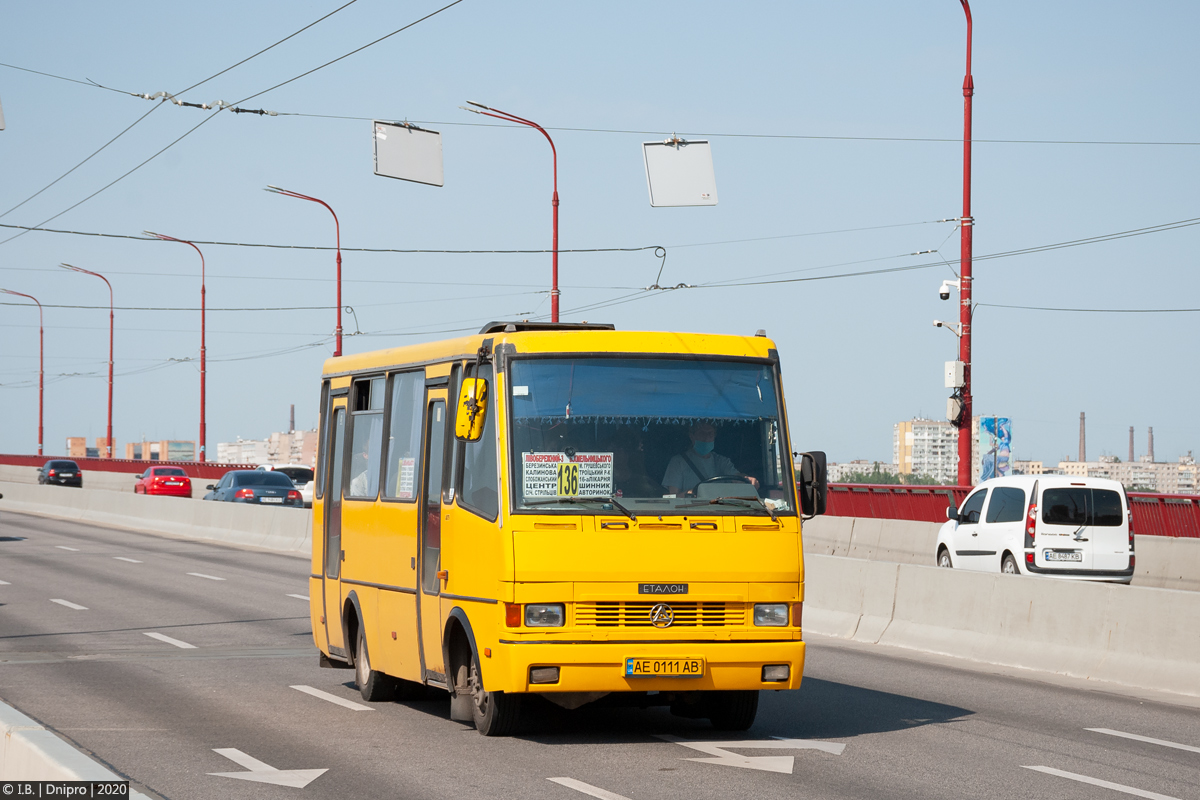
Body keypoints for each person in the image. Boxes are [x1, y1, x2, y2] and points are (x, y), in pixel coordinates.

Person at [662, 422, 758, 496]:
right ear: (692, 436)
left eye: (710, 433)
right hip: (689, 513)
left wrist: (747, 479)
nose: (707, 437)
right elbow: (673, 498)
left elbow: (737, 477)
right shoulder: (678, 462)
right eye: (702, 433)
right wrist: (691, 493)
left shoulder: (722, 461)